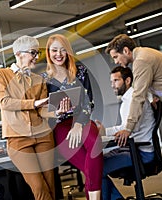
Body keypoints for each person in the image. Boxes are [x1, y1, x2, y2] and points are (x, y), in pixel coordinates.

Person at [105, 34, 162, 162]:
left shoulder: (141, 61)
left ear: (125, 50)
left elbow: (138, 95)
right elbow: (159, 78)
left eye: (116, 57)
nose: (116, 61)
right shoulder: (144, 54)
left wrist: (128, 129)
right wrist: (155, 97)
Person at [41, 34, 103, 200]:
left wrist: (78, 124)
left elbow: (89, 102)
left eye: (62, 50)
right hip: (60, 127)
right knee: (90, 169)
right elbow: (43, 111)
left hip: (81, 121)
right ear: (48, 52)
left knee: (95, 147)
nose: (58, 54)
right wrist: (56, 112)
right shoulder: (43, 80)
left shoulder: (80, 72)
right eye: (54, 50)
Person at [0, 35, 55, 200]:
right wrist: (34, 103)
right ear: (19, 54)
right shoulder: (1, 75)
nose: (37, 57)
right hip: (17, 139)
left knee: (51, 186)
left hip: (43, 136)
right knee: (39, 187)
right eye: (33, 53)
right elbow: (5, 102)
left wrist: (58, 111)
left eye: (37, 53)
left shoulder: (38, 79)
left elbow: (42, 111)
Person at [95, 66, 155, 200]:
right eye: (111, 82)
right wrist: (105, 131)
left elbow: (131, 130)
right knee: (96, 164)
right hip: (134, 148)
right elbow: (125, 128)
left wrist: (105, 135)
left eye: (116, 81)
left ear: (127, 80)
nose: (112, 85)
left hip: (140, 152)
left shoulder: (134, 100)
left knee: (97, 168)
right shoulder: (128, 100)